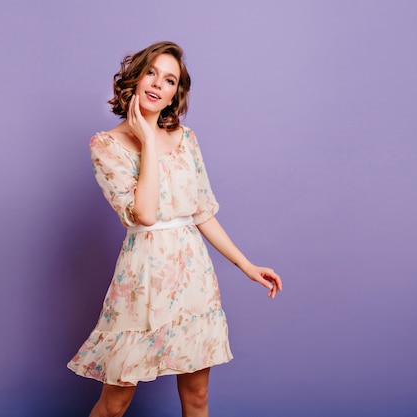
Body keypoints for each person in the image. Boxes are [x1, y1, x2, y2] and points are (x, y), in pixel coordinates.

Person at [68, 41, 282, 417]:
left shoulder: (187, 140)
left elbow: (201, 213)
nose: (157, 84)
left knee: (197, 399)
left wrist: (247, 266)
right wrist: (148, 141)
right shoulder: (106, 146)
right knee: (114, 405)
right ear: (135, 78)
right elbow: (145, 215)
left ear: (174, 94)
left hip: (193, 279)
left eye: (169, 80)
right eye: (151, 72)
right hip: (143, 280)